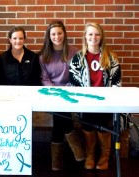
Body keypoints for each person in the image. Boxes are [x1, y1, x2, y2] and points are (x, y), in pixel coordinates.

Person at [69, 22, 122, 170]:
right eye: (90, 34)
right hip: (86, 103)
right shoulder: (78, 58)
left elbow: (117, 82)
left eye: (97, 34)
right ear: (85, 36)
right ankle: (91, 155)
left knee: (103, 127)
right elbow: (74, 82)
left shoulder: (111, 57)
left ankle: (104, 157)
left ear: (101, 37)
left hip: (106, 103)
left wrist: (111, 101)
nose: (93, 37)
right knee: (88, 126)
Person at [38, 20, 85, 171]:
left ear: (64, 34)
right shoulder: (43, 56)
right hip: (51, 94)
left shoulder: (75, 52)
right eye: (53, 34)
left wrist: (65, 90)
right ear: (49, 36)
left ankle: (56, 161)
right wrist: (55, 91)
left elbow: (77, 77)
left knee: (59, 117)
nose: (56, 36)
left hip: (70, 93)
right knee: (61, 114)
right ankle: (77, 149)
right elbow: (44, 79)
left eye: (59, 33)